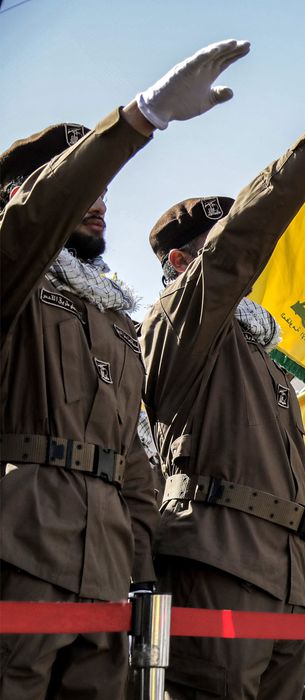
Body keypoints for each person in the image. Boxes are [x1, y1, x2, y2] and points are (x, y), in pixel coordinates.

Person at [141, 55, 305, 698]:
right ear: (182, 261)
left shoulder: (256, 348)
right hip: (217, 561)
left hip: (286, 576)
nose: (251, 267)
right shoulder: (182, 323)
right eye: (219, 247)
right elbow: (240, 243)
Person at [0, 40, 246, 697]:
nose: (100, 199)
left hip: (105, 560)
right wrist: (141, 116)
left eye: (104, 187)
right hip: (17, 543)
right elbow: (34, 220)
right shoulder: (12, 270)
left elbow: (132, 461)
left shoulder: (113, 320)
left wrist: (142, 572)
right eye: (83, 184)